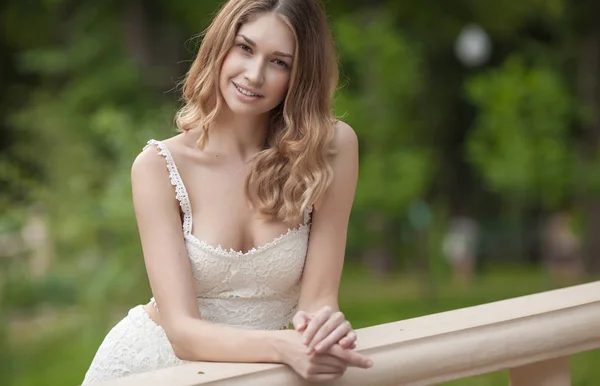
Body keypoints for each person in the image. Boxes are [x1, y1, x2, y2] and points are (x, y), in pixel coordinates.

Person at [81, 0, 372, 384]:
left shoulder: (329, 150)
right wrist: (281, 347)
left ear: (300, 75)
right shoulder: (158, 168)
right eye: (245, 48)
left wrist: (320, 333)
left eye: (279, 62)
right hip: (148, 368)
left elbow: (318, 299)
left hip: (253, 373)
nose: (254, 75)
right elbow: (182, 332)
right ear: (221, 47)